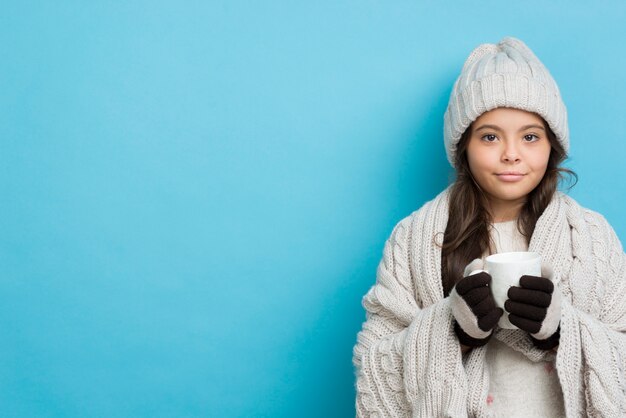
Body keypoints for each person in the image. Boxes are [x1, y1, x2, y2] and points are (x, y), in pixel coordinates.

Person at [352, 36, 626, 417]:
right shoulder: (415, 239)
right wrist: (454, 329)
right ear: (463, 146)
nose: (511, 153)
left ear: (553, 146)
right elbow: (375, 361)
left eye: (530, 136)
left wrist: (561, 328)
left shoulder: (592, 238)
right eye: (490, 136)